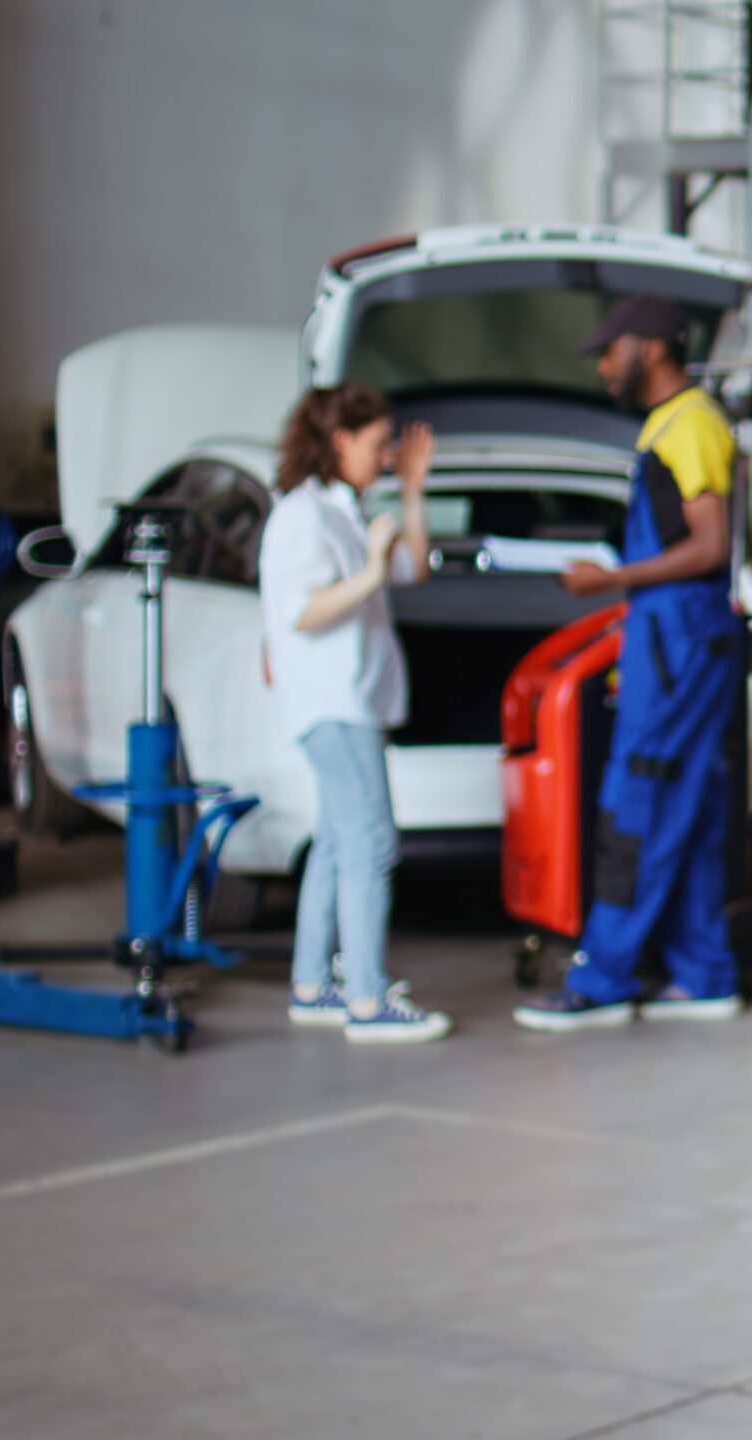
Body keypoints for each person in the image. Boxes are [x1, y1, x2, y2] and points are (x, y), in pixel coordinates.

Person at [514, 295, 748, 1031]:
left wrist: (608, 581)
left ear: (647, 346)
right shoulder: (669, 427)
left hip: (680, 641)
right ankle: (704, 972)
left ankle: (604, 979)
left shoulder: (693, 426)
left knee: (638, 800)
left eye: (609, 352)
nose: (605, 366)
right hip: (672, 637)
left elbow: (710, 548)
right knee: (690, 803)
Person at [260, 382, 453, 1044]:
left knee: (340, 842)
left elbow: (416, 568)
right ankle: (367, 1000)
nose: (384, 456)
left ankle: (314, 985)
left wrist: (414, 487)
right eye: (377, 445)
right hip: (332, 704)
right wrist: (369, 571)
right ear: (338, 441)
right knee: (372, 840)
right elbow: (302, 611)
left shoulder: (344, 510)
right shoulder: (301, 517)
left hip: (353, 701)